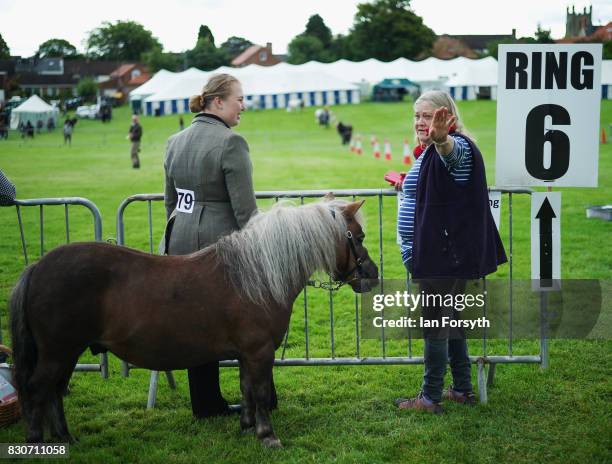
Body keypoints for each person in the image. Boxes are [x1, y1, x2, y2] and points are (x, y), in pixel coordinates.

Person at [161, 73, 272, 418]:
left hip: (178, 242)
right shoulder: (231, 143)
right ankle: (260, 399)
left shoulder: (174, 141)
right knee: (247, 323)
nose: (243, 106)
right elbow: (246, 213)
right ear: (218, 102)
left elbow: (172, 202)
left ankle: (205, 402)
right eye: (239, 99)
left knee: (196, 324)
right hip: (221, 250)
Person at [394, 90, 506, 413]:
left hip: (443, 257)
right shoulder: (428, 153)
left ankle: (429, 398)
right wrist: (406, 184)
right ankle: (461, 388)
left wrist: (442, 140)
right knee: (451, 320)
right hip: (439, 255)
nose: (420, 122)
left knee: (435, 324)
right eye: (417, 116)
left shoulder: (457, 147)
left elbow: (452, 157)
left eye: (427, 116)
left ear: (446, 119)